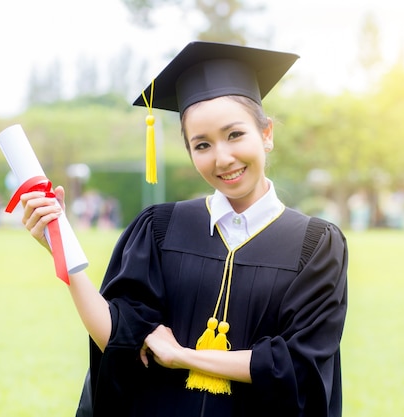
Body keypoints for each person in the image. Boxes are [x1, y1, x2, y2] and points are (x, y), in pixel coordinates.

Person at [19, 41, 348, 417]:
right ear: (189, 152)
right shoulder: (161, 230)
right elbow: (119, 339)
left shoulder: (314, 245)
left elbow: (299, 366)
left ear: (267, 133)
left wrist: (183, 356)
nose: (223, 158)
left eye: (235, 134)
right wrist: (59, 245)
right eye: (202, 144)